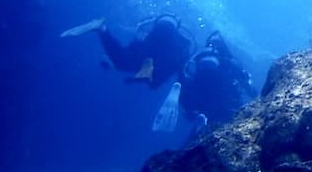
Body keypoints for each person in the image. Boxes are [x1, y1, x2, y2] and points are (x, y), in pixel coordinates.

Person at [61, 14, 193, 90]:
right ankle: (102, 32)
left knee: (121, 60)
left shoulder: (152, 28)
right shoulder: (182, 39)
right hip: (164, 51)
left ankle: (101, 28)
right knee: (155, 81)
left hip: (151, 45)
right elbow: (182, 61)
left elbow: (136, 41)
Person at [179, 29, 256, 128]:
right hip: (225, 106)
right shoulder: (229, 61)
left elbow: (185, 80)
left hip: (200, 104)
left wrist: (188, 108)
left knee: (203, 128)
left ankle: (201, 121)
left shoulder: (197, 59)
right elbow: (248, 85)